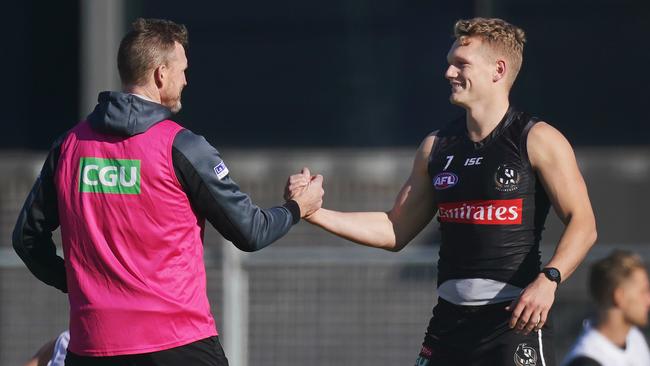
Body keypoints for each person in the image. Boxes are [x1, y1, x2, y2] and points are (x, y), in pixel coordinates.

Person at [13, 18, 324, 366]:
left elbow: (27, 240)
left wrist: (77, 285)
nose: (186, 80)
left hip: (93, 347)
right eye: (182, 70)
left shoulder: (69, 146)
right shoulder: (182, 147)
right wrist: (297, 208)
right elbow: (250, 231)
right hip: (177, 345)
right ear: (161, 74)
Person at [287, 17, 597, 365]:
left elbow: (583, 223)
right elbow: (395, 228)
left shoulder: (538, 139)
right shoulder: (436, 146)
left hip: (513, 324)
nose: (449, 73)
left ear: (498, 69)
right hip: (448, 326)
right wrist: (311, 211)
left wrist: (549, 280)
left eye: (461, 64)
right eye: (449, 63)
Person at [562, 250, 650, 366]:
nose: (648, 300)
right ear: (619, 297)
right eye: (643, 291)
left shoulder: (635, 338)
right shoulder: (586, 361)